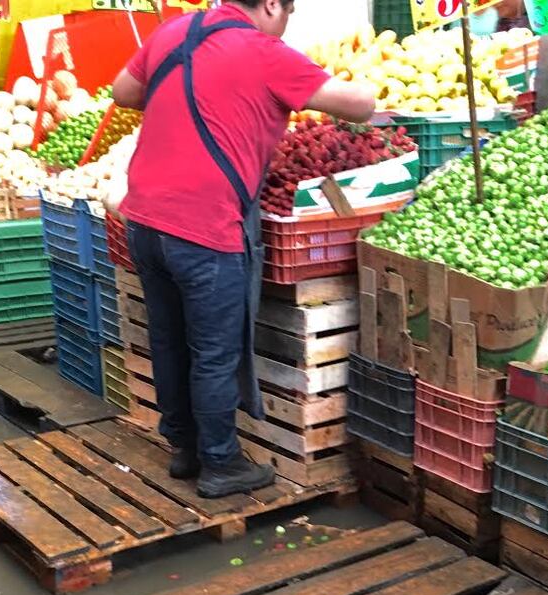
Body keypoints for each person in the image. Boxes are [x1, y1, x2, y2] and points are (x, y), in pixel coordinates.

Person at [111, 0, 374, 499]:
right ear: (272, 5)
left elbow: (123, 92)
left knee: (168, 338)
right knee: (213, 352)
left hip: (144, 217)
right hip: (204, 225)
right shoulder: (265, 51)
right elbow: (359, 104)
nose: (287, 24)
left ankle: (184, 449)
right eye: (289, 13)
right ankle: (221, 465)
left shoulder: (175, 31)